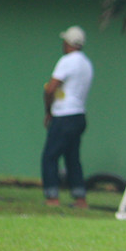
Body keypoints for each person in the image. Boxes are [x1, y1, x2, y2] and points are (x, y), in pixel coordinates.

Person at [42, 25, 94, 208]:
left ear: (69, 43)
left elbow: (51, 88)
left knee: (50, 156)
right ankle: (80, 198)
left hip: (63, 115)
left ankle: (52, 197)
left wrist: (48, 110)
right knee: (72, 157)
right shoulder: (86, 64)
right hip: (79, 116)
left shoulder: (67, 61)